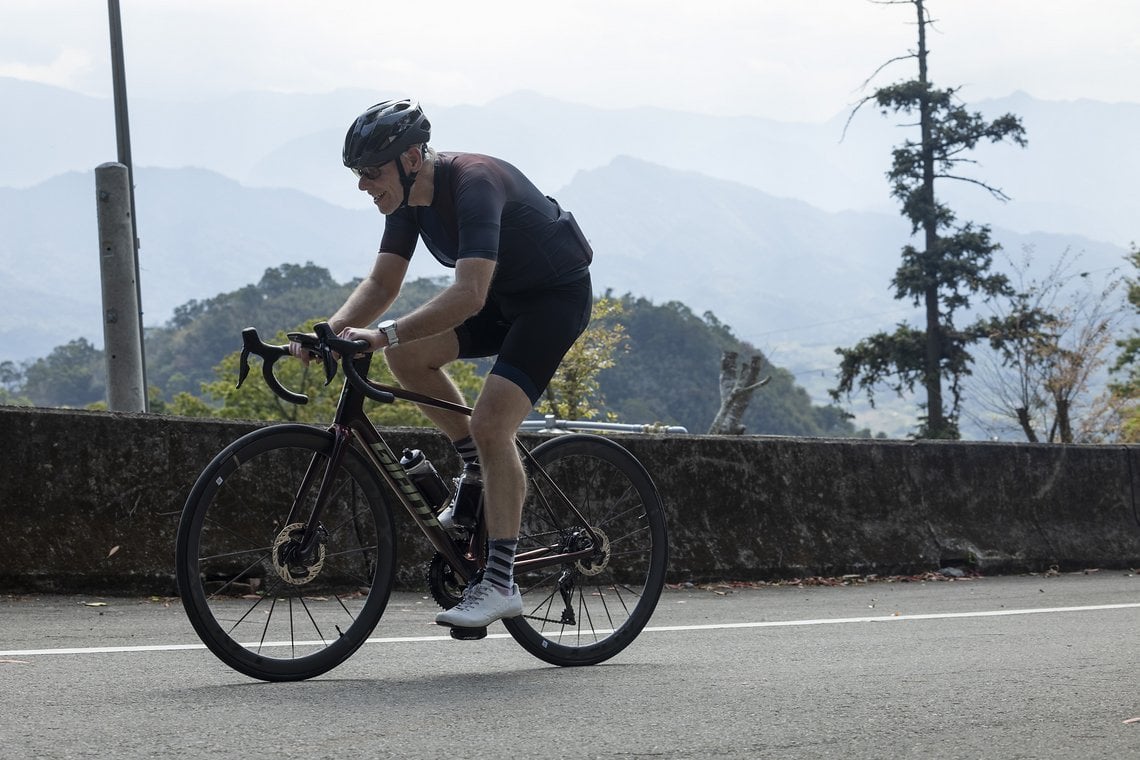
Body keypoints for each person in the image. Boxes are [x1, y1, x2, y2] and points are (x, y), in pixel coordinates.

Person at [290, 99, 593, 629]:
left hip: (553, 299)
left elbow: (469, 293)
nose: (363, 185)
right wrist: (331, 333)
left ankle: (500, 582)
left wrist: (379, 335)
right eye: (358, 174)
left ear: (411, 158)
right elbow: (383, 284)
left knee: (492, 421)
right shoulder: (405, 201)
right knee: (408, 355)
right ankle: (475, 466)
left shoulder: (473, 183)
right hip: (502, 299)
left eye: (371, 172)